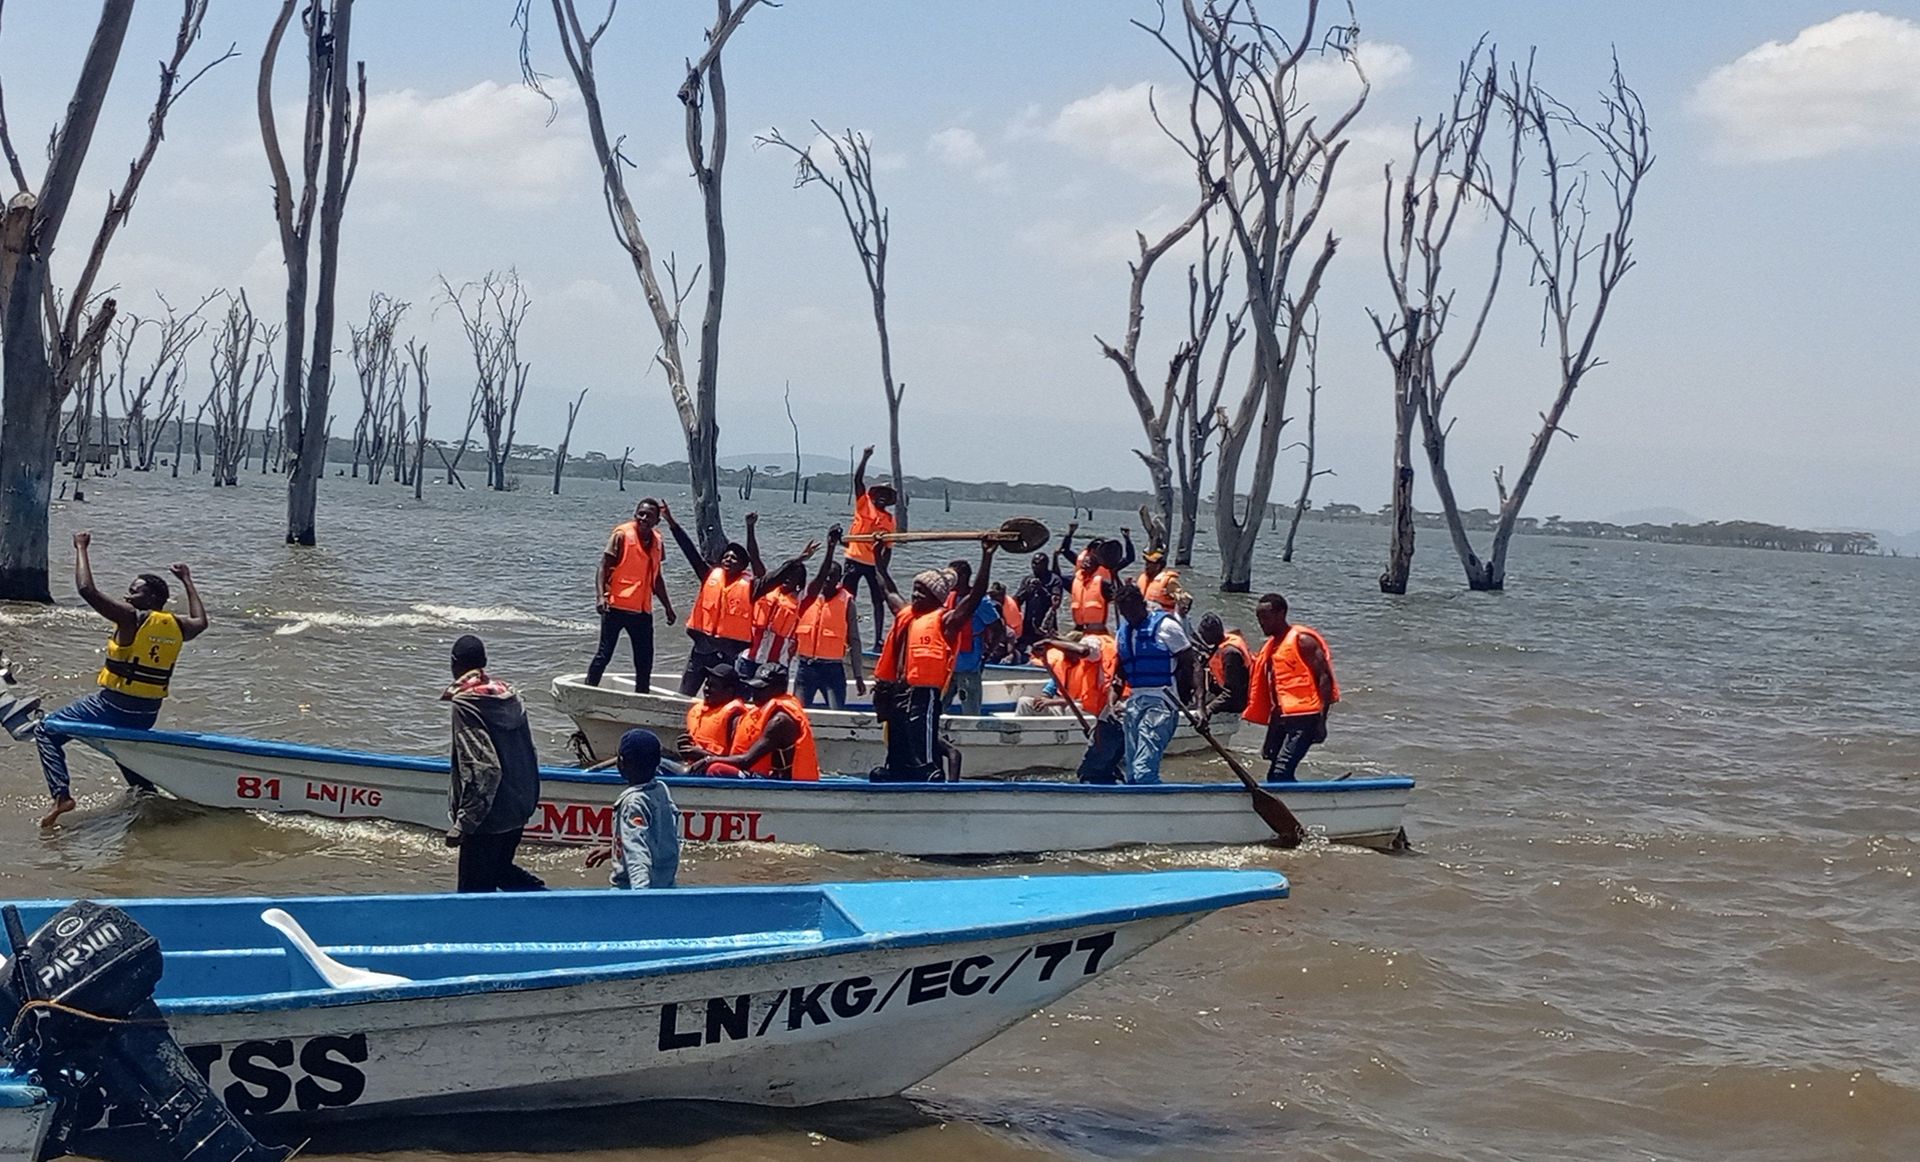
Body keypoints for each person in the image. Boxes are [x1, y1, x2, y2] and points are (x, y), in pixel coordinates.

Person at [35, 532, 208, 827]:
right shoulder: (178, 626)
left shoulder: (131, 618)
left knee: (46, 731)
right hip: (146, 714)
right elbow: (202, 621)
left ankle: (61, 795)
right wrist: (187, 580)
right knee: (124, 751)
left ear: (152, 598)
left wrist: (81, 547)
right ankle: (151, 803)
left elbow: (87, 590)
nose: (128, 596)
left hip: (113, 704)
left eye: (134, 591)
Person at [869, 540, 996, 782]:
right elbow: (887, 589)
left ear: (936, 598)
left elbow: (975, 597)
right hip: (898, 691)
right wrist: (878, 559)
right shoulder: (906, 614)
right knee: (897, 742)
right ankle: (896, 771)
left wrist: (987, 556)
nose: (915, 595)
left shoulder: (946, 621)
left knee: (920, 745)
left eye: (922, 592)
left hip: (923, 694)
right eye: (914, 589)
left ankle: (929, 775)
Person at [444, 635, 545, 892]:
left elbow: (483, 767)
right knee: (500, 871)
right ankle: (542, 903)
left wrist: (463, 823)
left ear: (454, 665)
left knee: (472, 898)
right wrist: (529, 802)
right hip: (518, 808)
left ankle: (548, 905)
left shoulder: (466, 704)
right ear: (485, 662)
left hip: (487, 818)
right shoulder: (511, 696)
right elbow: (530, 752)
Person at [663, 503, 764, 694]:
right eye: (726, 556)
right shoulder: (708, 575)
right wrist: (671, 522)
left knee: (722, 698)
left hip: (726, 656)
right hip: (701, 650)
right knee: (684, 695)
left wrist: (750, 529)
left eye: (734, 558)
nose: (728, 559)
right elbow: (689, 551)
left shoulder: (751, 587)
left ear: (742, 566)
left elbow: (761, 568)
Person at [1243, 593, 1340, 783]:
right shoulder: (1272, 647)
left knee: (1281, 772)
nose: (1261, 623)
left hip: (1306, 718)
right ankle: (1292, 801)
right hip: (1283, 717)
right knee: (1273, 772)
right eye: (1259, 618)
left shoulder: (1303, 641)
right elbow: (1277, 691)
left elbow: (1325, 679)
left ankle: (1300, 805)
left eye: (1265, 617)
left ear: (1281, 614)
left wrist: (1322, 720)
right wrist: (1272, 733)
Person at [1109, 584, 1196, 786]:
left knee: (1143, 772)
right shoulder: (1123, 632)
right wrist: (1112, 702)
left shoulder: (1166, 626)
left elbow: (1190, 662)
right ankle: (1137, 810)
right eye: (1125, 613)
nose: (1130, 616)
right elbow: (1120, 672)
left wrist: (1189, 699)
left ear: (1142, 604)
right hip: (1134, 703)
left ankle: (1158, 804)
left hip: (1162, 702)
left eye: (1133, 610)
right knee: (1131, 773)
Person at [587, 497, 676, 691]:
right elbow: (603, 566)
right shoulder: (621, 535)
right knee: (604, 655)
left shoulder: (658, 541)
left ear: (657, 521)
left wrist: (668, 607)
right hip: (616, 607)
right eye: (640, 514)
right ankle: (588, 690)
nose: (643, 518)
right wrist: (601, 596)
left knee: (644, 662)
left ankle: (641, 698)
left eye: (649, 516)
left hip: (642, 611)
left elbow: (657, 577)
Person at [689, 665, 820, 780]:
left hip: (782, 782)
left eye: (760, 688)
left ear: (777, 689)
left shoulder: (780, 721)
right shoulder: (759, 712)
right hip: (761, 775)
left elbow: (746, 761)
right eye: (754, 687)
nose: (754, 693)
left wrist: (708, 760)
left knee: (716, 769)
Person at [586, 729, 679, 889]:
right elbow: (660, 838)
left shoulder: (632, 803)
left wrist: (640, 896)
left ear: (621, 763)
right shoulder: (661, 790)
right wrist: (614, 849)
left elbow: (637, 852)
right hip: (665, 888)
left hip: (629, 892)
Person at [1025, 634, 1124, 783]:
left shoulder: (1095, 656)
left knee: (1094, 769)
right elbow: (1052, 687)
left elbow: (1085, 651)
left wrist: (1050, 642)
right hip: (1103, 714)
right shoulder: (1066, 663)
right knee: (1101, 766)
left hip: (1110, 714)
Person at [794, 527, 866, 709]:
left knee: (836, 712)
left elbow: (855, 641)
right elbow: (818, 575)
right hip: (806, 668)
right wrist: (830, 548)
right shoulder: (809, 596)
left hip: (832, 670)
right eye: (824, 576)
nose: (826, 580)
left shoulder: (847, 602)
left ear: (839, 579)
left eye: (831, 577)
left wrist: (858, 676)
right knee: (798, 715)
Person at [841, 444, 897, 643]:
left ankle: (877, 640)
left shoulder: (889, 520)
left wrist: (883, 569)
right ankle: (845, 635)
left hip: (874, 565)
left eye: (886, 495)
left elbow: (888, 547)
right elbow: (857, 480)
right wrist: (865, 457)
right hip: (854, 560)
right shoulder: (864, 504)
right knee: (848, 598)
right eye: (879, 493)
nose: (881, 497)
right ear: (873, 495)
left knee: (878, 600)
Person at [741, 540, 818, 677]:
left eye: (793, 576)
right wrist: (750, 527)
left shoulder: (801, 602)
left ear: (799, 582)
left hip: (776, 664)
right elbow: (754, 557)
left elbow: (818, 584)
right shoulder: (764, 589)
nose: (787, 579)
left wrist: (829, 550)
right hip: (749, 658)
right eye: (786, 575)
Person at [943, 556, 1002, 716]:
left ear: (962, 577)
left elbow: (998, 628)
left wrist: (988, 654)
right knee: (939, 704)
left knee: (970, 708)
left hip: (969, 663)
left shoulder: (980, 602)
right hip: (947, 664)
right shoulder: (948, 597)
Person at [1195, 612, 1253, 724]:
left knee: (1197, 709)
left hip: (1236, 700)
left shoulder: (1230, 654)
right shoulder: (1221, 643)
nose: (1201, 637)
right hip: (1224, 693)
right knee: (1195, 701)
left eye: (1202, 634)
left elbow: (1232, 692)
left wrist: (1209, 709)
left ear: (1210, 635)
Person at [1011, 550, 1068, 653]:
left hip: (1044, 626)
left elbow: (1055, 603)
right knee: (1020, 651)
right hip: (1027, 625)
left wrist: (1041, 589)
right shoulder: (1028, 579)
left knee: (1044, 653)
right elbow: (1016, 601)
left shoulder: (1054, 580)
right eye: (1033, 563)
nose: (1034, 566)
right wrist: (1025, 591)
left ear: (1045, 564)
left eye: (1037, 564)